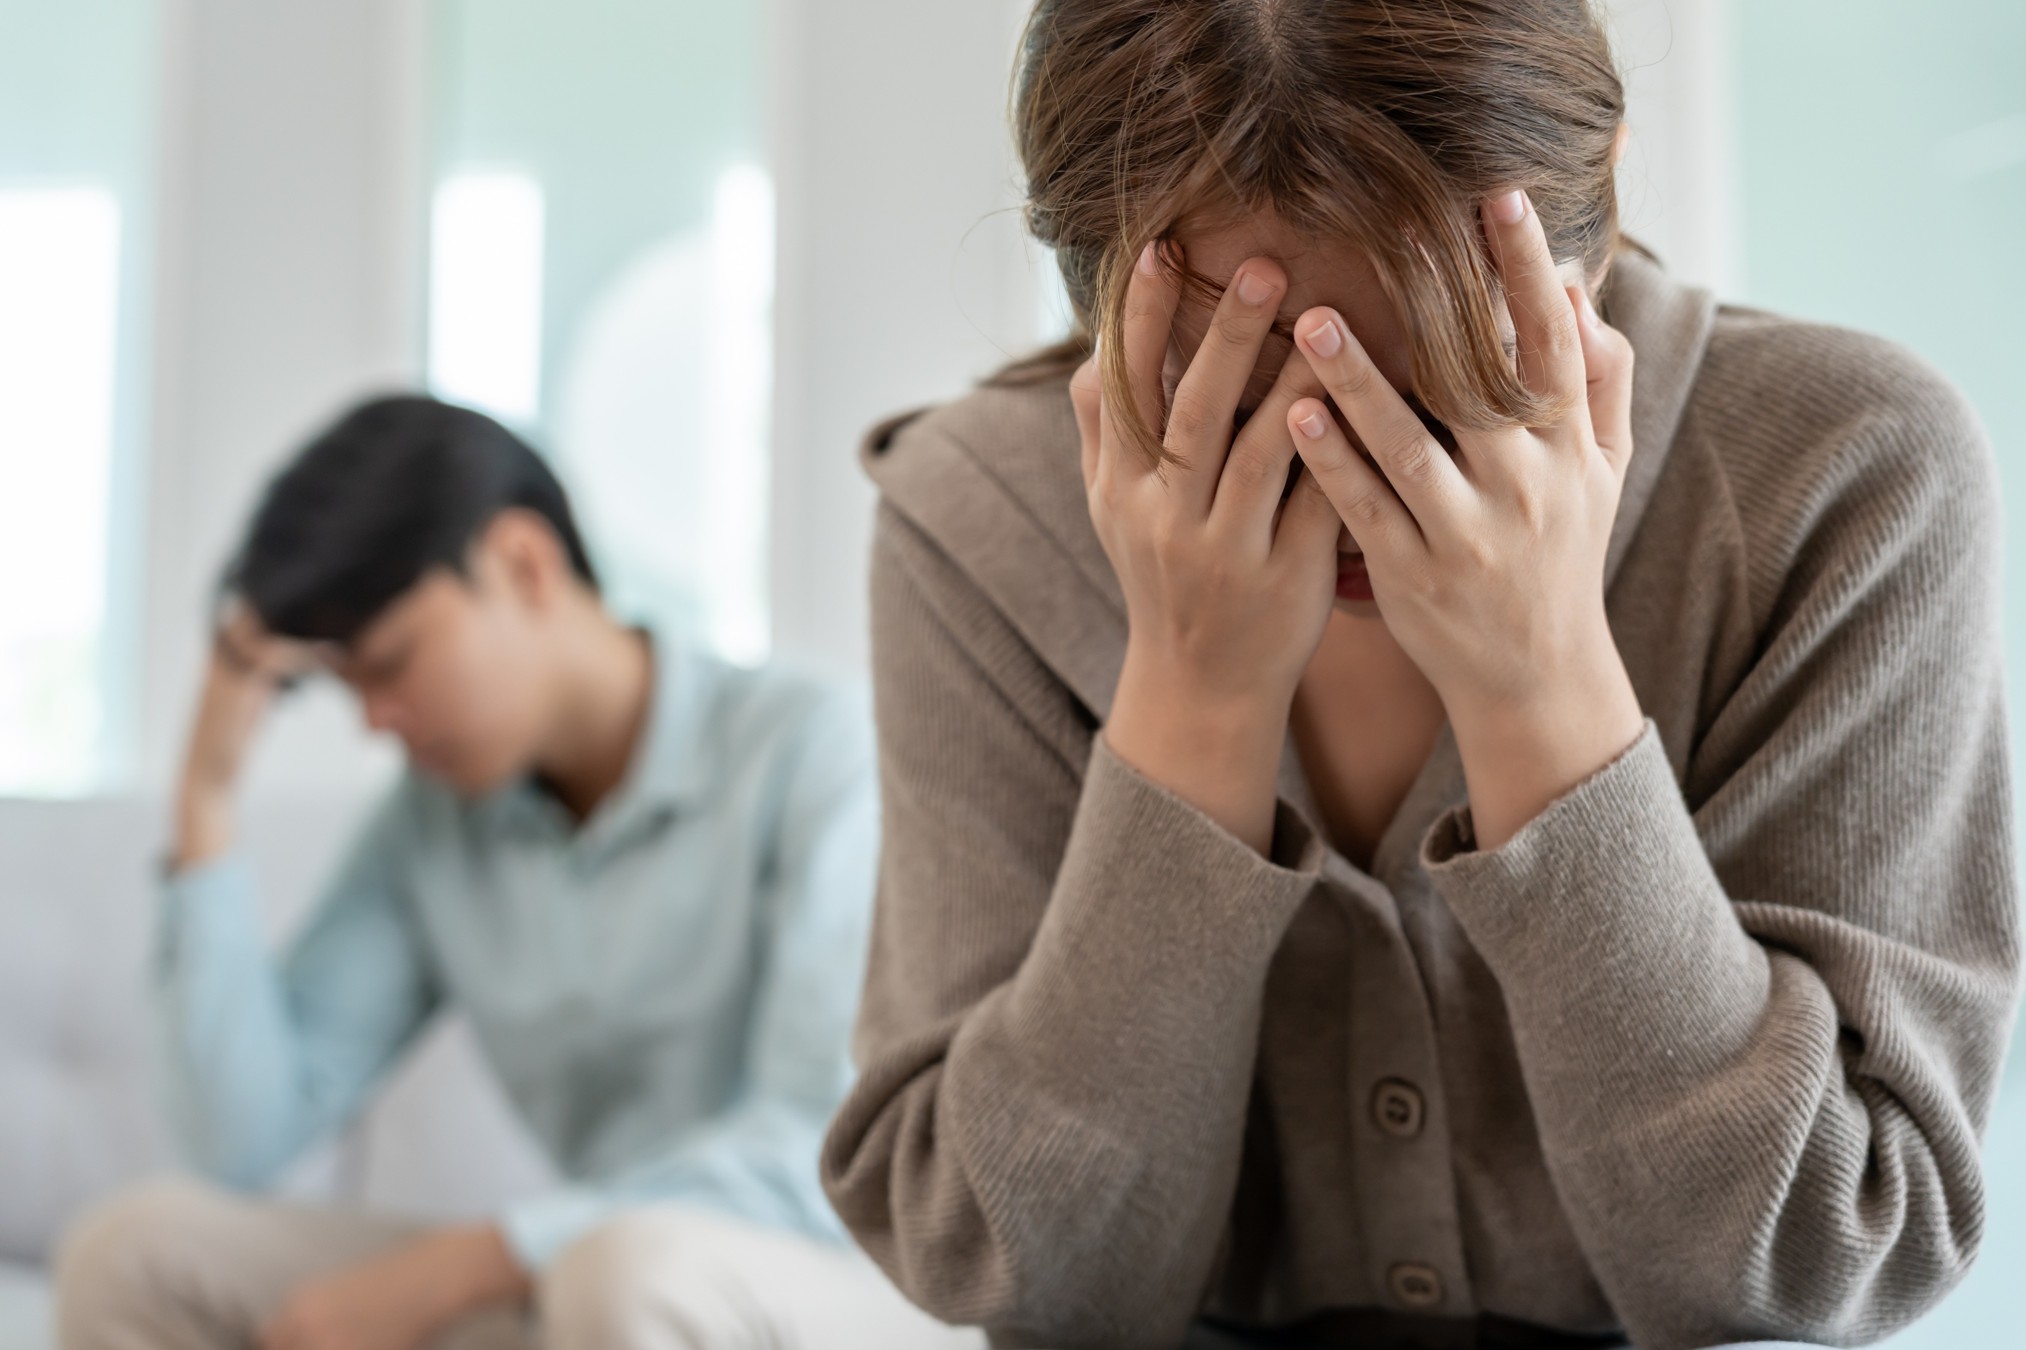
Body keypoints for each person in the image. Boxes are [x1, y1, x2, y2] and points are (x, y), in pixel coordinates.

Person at [818, 2, 2024, 1349]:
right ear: (1097, 300)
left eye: (1439, 380)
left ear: (1604, 196)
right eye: (1229, 391)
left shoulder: (1847, 471)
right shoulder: (979, 516)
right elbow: (1015, 1272)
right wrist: (1192, 702)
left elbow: (1820, 1257)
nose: (1350, 477)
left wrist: (1542, 681)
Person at [56, 396, 974, 1350]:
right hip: (584, 1287)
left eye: (390, 665)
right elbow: (239, 1142)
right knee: (132, 1255)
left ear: (522, 564)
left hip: (835, 1282)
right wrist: (205, 796)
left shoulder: (812, 754)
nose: (375, 722)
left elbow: (825, 1153)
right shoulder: (430, 825)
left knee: (622, 1275)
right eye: (346, 687)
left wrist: (472, 1265)